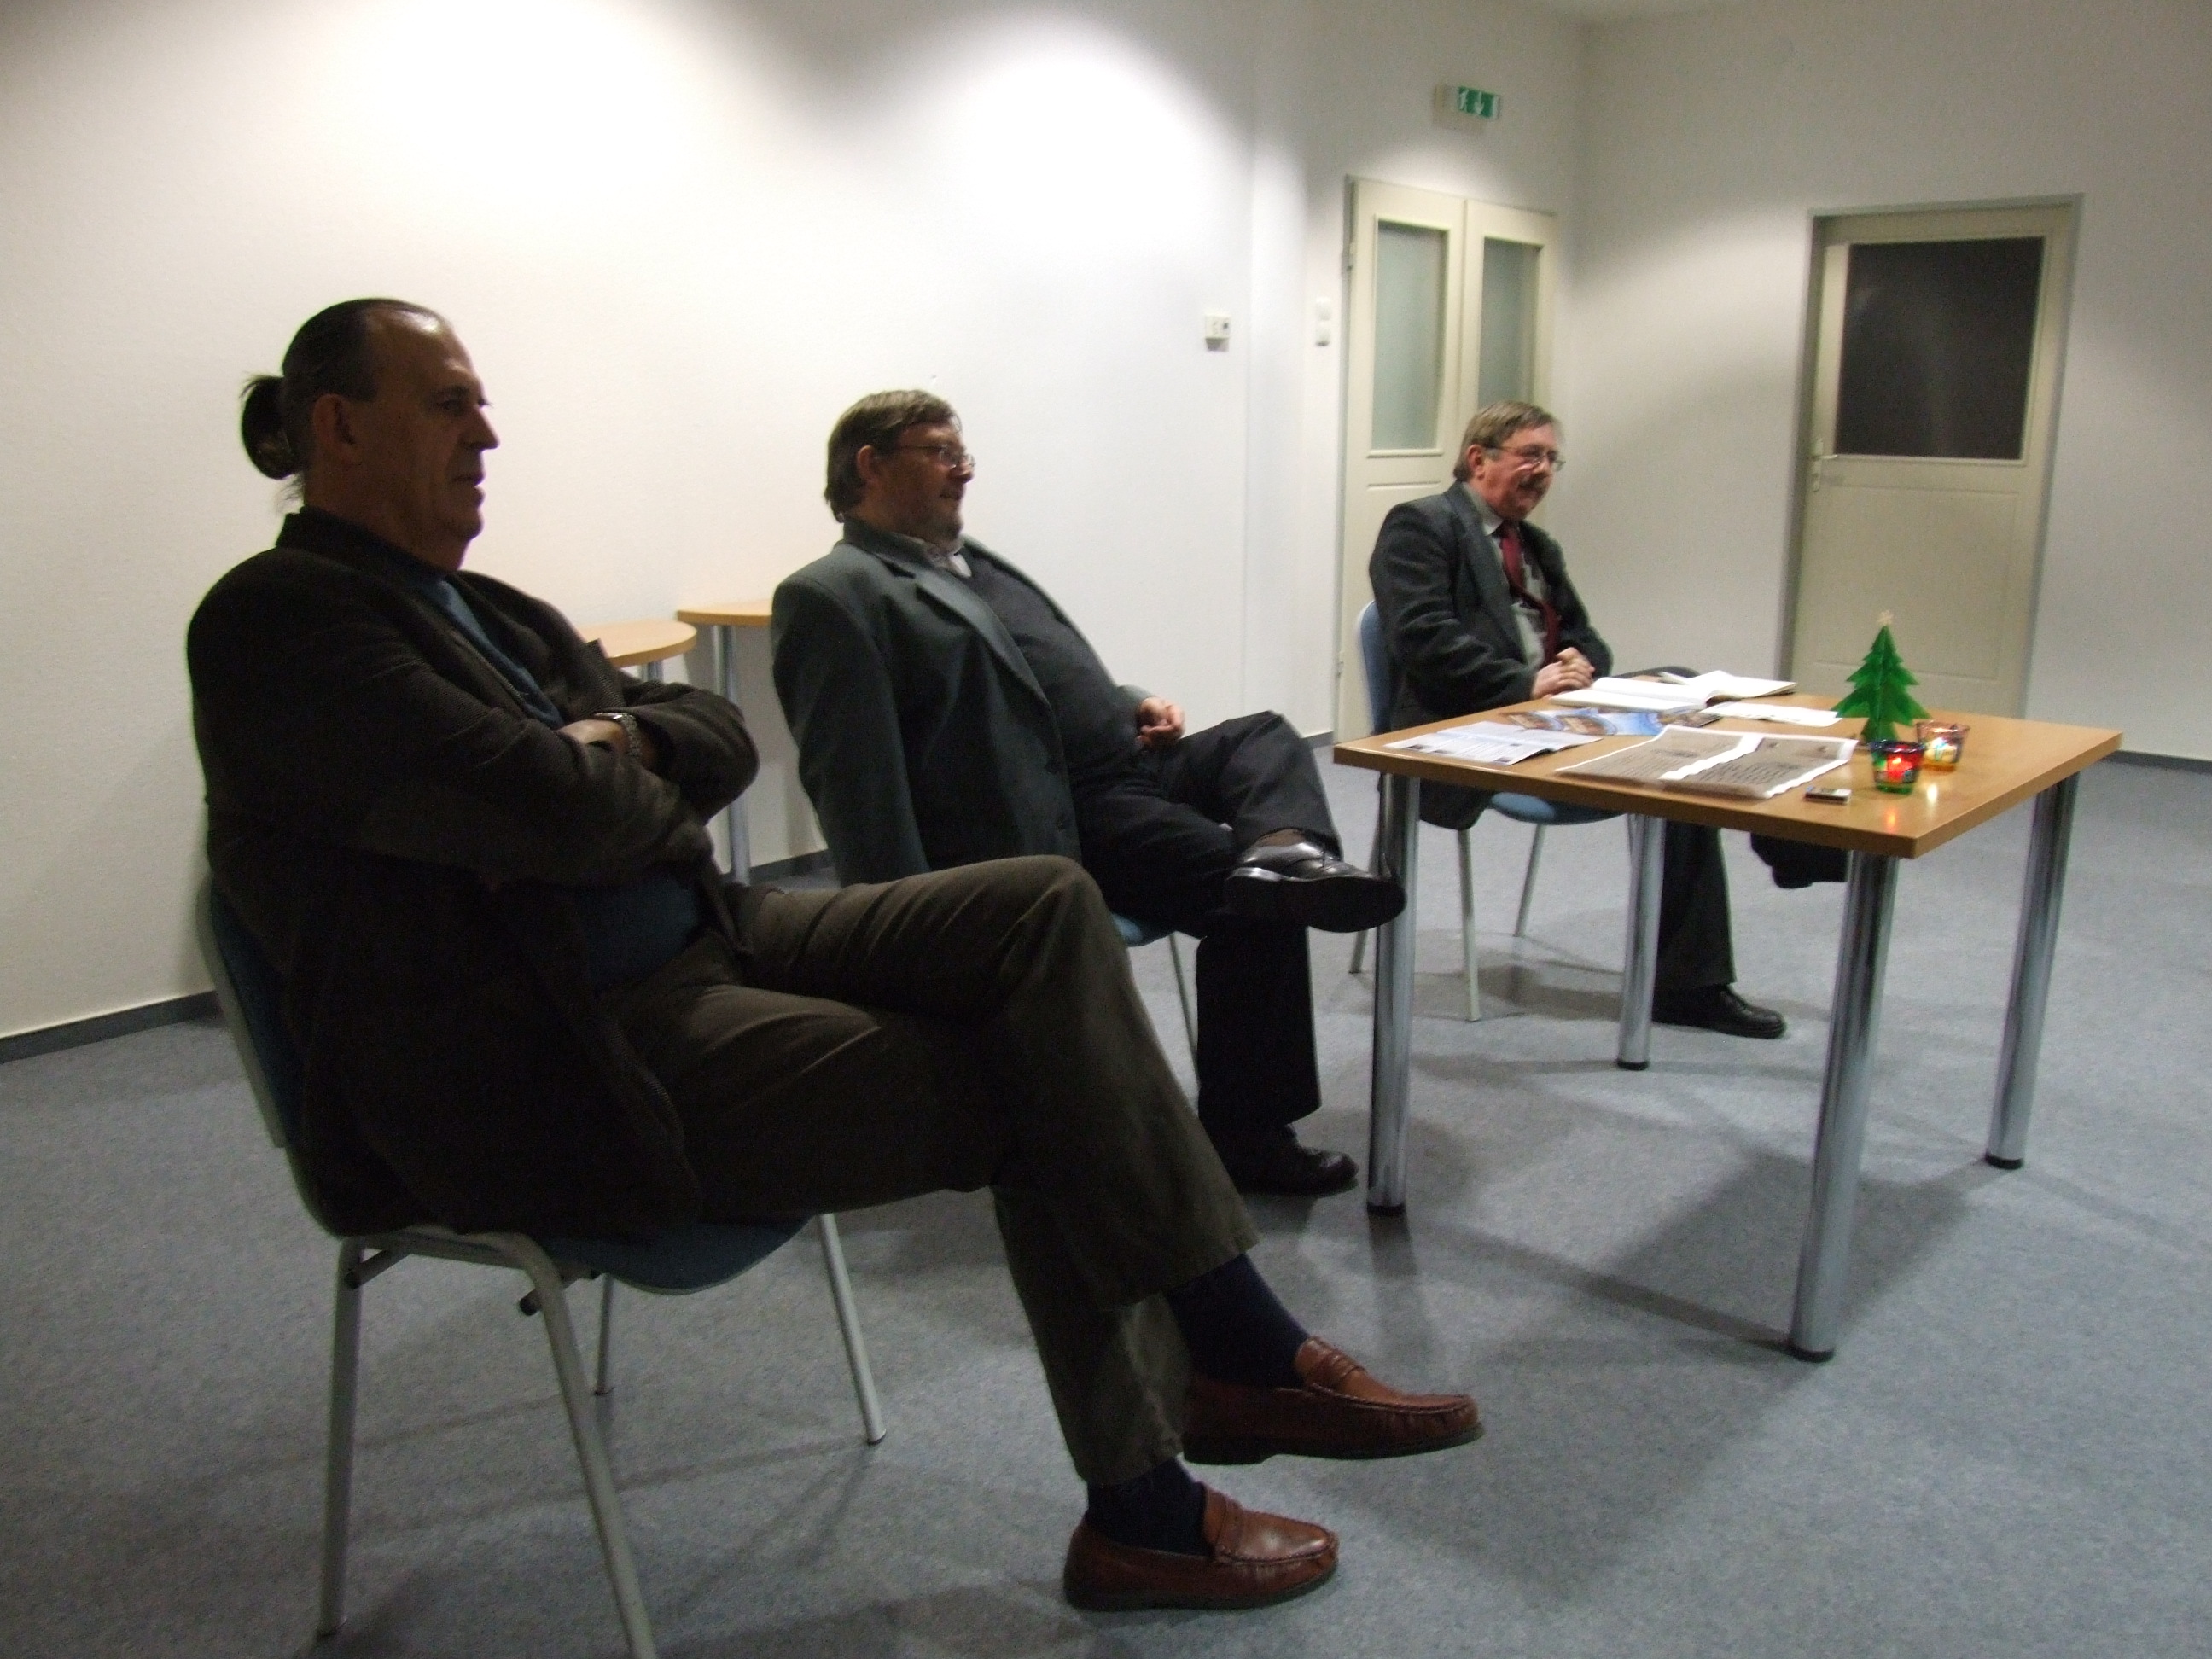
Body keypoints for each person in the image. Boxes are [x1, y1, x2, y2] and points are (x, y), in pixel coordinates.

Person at [189, 300, 1480, 1615]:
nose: (488, 434)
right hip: (557, 1048)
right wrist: (616, 773)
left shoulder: (489, 609)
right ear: (340, 426)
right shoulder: (279, 626)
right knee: (1040, 1080)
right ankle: (1155, 1492)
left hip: (711, 936)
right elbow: (565, 813)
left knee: (1042, 908)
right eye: (450, 404)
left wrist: (620, 747)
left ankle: (1226, 1352)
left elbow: (715, 737)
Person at [771, 392, 1402, 1197]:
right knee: (1246, 897)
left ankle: (1288, 850)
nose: (964, 469)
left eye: (962, 452)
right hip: (1058, 811)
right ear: (870, 464)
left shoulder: (966, 558)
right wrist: (902, 925)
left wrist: (1128, 701)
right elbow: (855, 782)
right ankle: (1247, 1136)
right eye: (940, 452)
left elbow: (1033, 674)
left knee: (1263, 736)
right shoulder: (837, 592)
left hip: (1128, 758)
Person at [1368, 400, 1797, 1039]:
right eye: (1530, 456)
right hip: (1471, 725)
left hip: (1558, 715)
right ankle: (1695, 981)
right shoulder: (1422, 526)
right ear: (1479, 459)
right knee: (1673, 771)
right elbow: (1421, 637)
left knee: (1689, 697)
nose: (1543, 471)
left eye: (1552, 459)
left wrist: (1580, 662)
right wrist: (1524, 683)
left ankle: (1785, 848)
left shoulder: (1536, 545)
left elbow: (1587, 637)